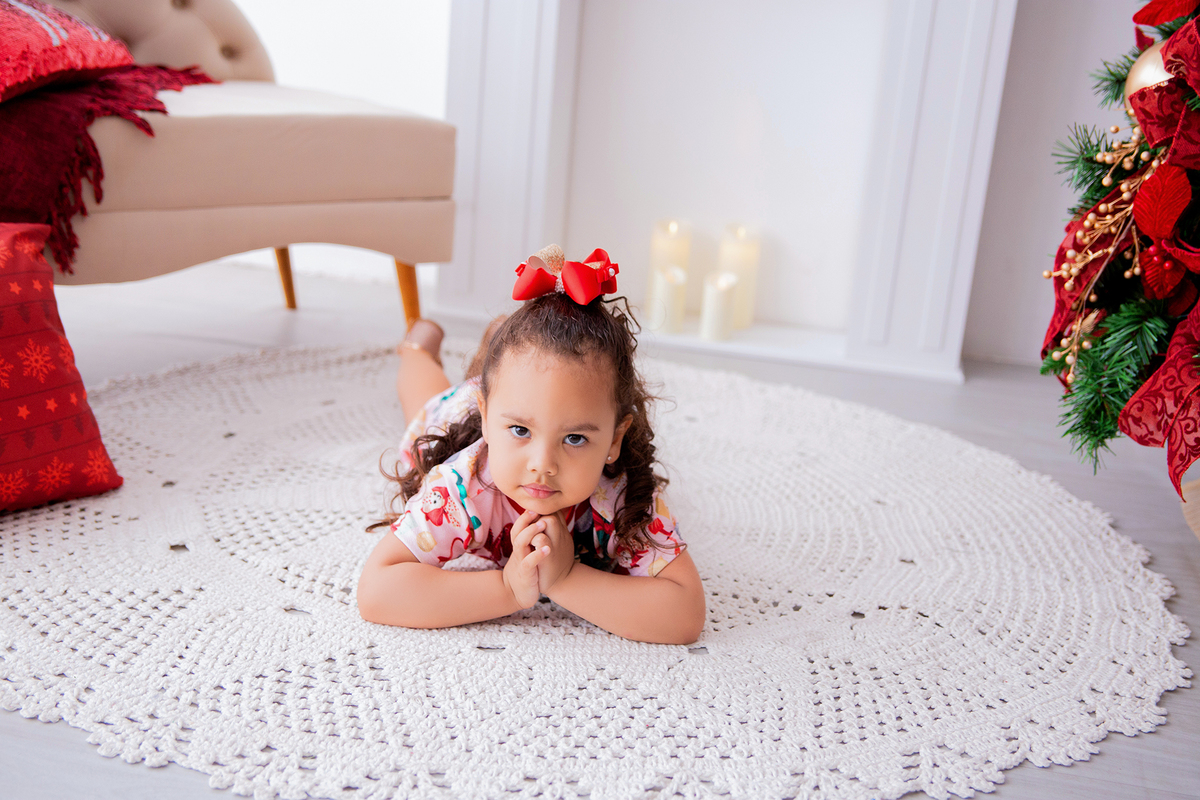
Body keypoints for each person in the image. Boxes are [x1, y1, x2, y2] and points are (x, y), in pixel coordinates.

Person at [357, 245, 705, 644]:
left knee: (514, 380)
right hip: (457, 420)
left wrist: (566, 580)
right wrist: (507, 589)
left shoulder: (621, 495)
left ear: (614, 438)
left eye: (575, 438)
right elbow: (377, 591)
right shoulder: (460, 486)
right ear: (488, 418)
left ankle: (495, 347)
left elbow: (686, 614)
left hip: (509, 398)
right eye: (521, 431)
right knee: (427, 409)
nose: (542, 464)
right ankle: (418, 347)